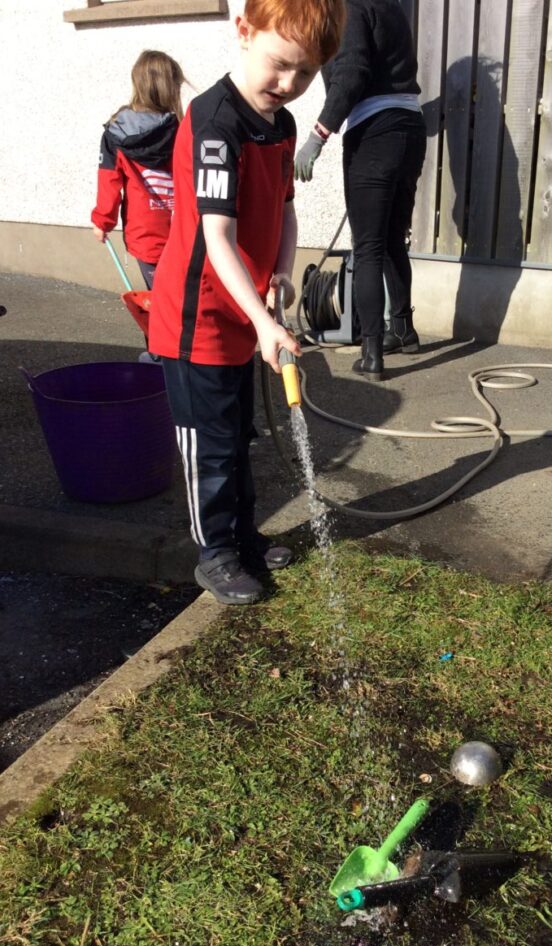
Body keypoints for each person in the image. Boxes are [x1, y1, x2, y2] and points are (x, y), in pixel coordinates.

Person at [147, 0, 346, 606]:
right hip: (198, 319)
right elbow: (217, 238)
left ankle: (245, 537)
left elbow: (285, 209)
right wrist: (263, 322)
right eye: (280, 64)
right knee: (208, 444)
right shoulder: (215, 122)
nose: (289, 83)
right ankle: (215, 553)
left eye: (306, 73)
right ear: (244, 31)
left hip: (246, 314)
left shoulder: (280, 126)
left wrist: (281, 273)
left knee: (239, 436)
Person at [294, 0, 426, 382]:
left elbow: (352, 72)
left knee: (367, 247)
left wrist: (317, 136)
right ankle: (403, 330)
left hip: (373, 134)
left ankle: (371, 354)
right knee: (392, 240)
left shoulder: (350, 7)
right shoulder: (391, 6)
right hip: (410, 128)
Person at [91, 50, 186, 289]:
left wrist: (102, 221)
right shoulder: (183, 130)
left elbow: (109, 182)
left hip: (145, 235)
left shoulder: (117, 132)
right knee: (181, 298)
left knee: (160, 299)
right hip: (183, 233)